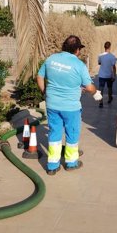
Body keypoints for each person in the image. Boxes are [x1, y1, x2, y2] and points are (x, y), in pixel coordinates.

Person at [37, 35, 102, 175]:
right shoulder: (79, 65)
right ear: (77, 50)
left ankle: (52, 166)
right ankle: (71, 163)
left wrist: (44, 92)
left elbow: (40, 75)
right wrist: (96, 92)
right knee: (72, 134)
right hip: (71, 108)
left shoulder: (51, 59)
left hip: (52, 105)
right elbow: (89, 87)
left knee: (54, 133)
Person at [98, 41, 116, 108]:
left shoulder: (100, 55)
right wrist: (114, 75)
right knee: (109, 88)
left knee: (101, 89)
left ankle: (101, 103)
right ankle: (109, 98)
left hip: (102, 75)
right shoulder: (112, 56)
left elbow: (99, 63)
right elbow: (114, 67)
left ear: (104, 47)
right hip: (109, 75)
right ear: (110, 47)